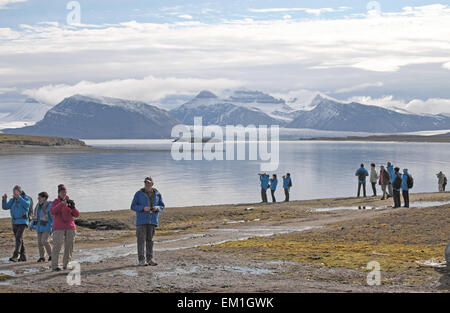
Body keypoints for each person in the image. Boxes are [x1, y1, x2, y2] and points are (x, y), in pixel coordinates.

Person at [131, 177, 165, 266]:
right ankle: (141, 260)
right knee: (141, 241)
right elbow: (133, 206)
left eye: (149, 183)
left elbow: (162, 205)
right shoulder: (138, 194)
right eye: (146, 183)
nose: (147, 184)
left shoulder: (158, 194)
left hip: (152, 221)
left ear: (152, 184)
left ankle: (150, 259)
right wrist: (142, 208)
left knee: (150, 240)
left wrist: (157, 208)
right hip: (141, 221)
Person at [50, 184, 79, 271]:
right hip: (58, 227)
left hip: (70, 226)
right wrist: (62, 204)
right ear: (59, 193)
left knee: (69, 246)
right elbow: (53, 211)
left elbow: (77, 215)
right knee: (57, 246)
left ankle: (66, 264)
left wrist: (73, 207)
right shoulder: (55, 202)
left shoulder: (69, 202)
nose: (64, 194)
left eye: (65, 192)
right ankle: (54, 266)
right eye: (62, 192)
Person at [2, 185, 31, 262]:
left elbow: (27, 205)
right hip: (14, 222)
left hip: (23, 221)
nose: (14, 193)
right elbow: (5, 207)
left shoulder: (26, 199)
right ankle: (23, 256)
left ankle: (15, 256)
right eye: (14, 192)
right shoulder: (12, 200)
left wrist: (19, 197)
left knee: (18, 238)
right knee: (19, 239)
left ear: (20, 192)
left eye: (16, 191)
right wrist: (4, 200)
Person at [30, 192, 53, 262]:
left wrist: (53, 226)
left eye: (39, 197)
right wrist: (31, 226)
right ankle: (42, 257)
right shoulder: (38, 206)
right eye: (38, 197)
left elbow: (52, 217)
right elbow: (34, 217)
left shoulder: (49, 205)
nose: (38, 199)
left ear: (44, 198)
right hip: (39, 227)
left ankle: (51, 255)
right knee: (40, 243)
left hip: (47, 226)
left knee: (44, 241)